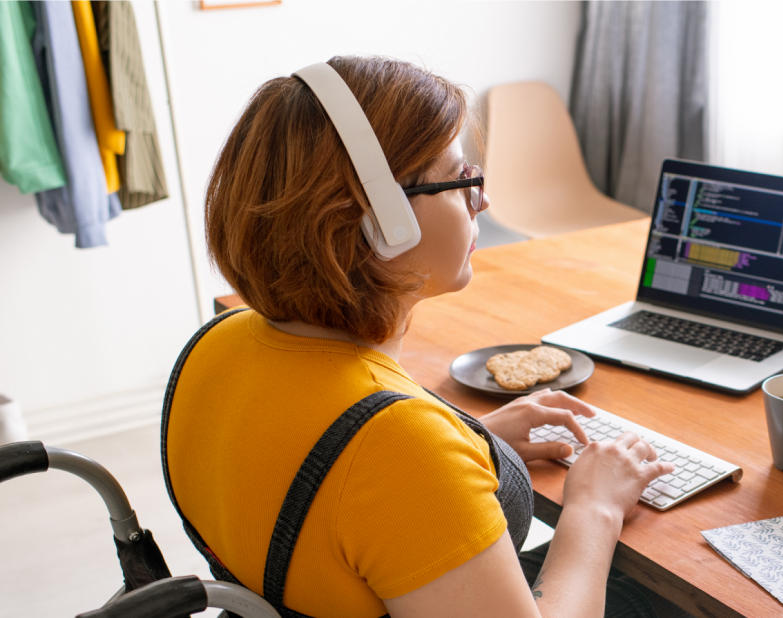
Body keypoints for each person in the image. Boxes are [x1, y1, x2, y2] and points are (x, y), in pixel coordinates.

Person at [162, 56, 680, 618]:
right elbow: (383, 466)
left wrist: (469, 441)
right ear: (384, 220)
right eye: (462, 180)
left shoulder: (216, 342)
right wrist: (594, 507)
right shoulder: (400, 450)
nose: (482, 202)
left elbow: (333, 486)